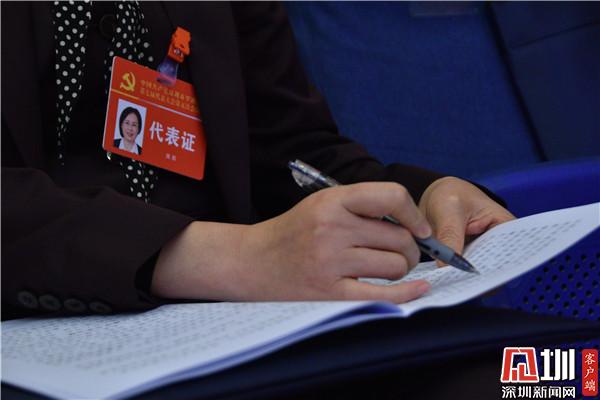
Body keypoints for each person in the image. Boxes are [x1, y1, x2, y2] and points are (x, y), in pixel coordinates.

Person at [1, 1, 514, 319]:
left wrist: (419, 201)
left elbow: (287, 148)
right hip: (43, 329)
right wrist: (233, 255)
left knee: (507, 372)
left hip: (244, 321)